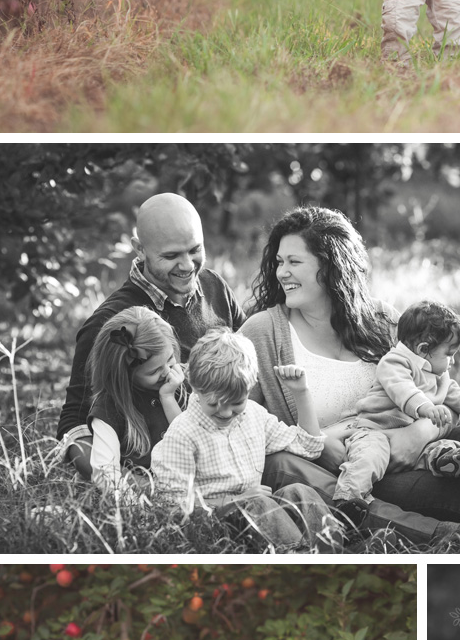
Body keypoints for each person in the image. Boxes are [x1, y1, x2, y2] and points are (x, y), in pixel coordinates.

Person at [239, 205, 460, 553]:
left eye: (294, 262)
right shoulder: (264, 333)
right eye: (280, 262)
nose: (281, 272)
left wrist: (418, 433)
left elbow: (446, 395)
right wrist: (314, 443)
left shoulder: (384, 321)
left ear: (331, 265)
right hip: (359, 475)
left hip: (422, 445)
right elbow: (237, 425)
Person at [56, 192, 244, 478]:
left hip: (236, 445)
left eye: (194, 249)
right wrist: (127, 485)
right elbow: (74, 425)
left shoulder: (214, 285)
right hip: (168, 471)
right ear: (139, 249)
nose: (187, 266)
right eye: (170, 256)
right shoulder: (112, 325)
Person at [323, 299, 460, 516]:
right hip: (375, 433)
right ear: (424, 349)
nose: (452, 362)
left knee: (442, 446)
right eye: (449, 354)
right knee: (367, 459)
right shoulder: (394, 362)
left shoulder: (439, 376)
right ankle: (349, 500)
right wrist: (425, 408)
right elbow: (402, 389)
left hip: (414, 445)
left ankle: (450, 462)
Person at [150, 328, 343, 551]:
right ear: (195, 387)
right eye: (213, 404)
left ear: (250, 389)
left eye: (236, 403)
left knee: (298, 491)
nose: (225, 413)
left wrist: (301, 393)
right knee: (259, 503)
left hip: (260, 513)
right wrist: (237, 499)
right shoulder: (182, 433)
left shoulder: (254, 415)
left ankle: (332, 550)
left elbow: (308, 446)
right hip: (218, 524)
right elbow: (174, 506)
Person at [85, 307, 186, 487]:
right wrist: (136, 505)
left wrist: (168, 398)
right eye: (154, 370)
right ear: (125, 375)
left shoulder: (184, 383)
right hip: (145, 493)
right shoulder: (110, 407)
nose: (167, 372)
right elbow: (105, 471)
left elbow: (195, 439)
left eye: (170, 358)